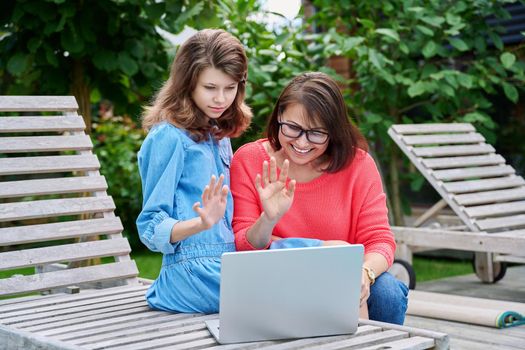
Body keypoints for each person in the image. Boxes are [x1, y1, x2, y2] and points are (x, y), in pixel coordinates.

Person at [230, 72, 408, 324]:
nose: (302, 142)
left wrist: (363, 273)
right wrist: (268, 219)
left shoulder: (358, 165)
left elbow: (379, 240)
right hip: (275, 278)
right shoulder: (250, 161)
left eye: (316, 133)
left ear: (333, 131)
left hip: (340, 277)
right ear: (278, 117)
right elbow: (243, 245)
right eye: (292, 128)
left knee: (387, 293)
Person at [136, 29, 251, 314]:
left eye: (230, 87)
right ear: (187, 84)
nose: (221, 99)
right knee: (275, 296)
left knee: (301, 261)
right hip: (189, 270)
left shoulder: (219, 136)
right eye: (210, 88)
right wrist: (199, 224)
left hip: (228, 262)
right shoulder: (168, 137)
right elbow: (150, 226)